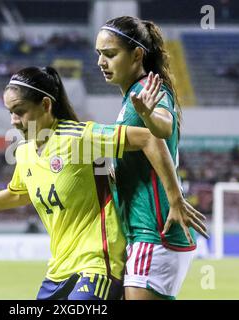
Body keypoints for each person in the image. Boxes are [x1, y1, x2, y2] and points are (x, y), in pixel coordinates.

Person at [0, 66, 207, 300]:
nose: (14, 121)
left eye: (20, 111)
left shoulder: (79, 138)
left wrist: (175, 199)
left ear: (45, 105)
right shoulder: (24, 153)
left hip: (98, 266)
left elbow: (148, 138)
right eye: (10, 112)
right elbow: (18, 194)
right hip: (59, 270)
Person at [95, 16, 205, 300]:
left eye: (110, 54)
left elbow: (162, 126)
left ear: (137, 54)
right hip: (147, 235)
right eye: (99, 55)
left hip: (155, 233)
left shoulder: (148, 90)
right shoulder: (132, 96)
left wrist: (147, 113)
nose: (101, 62)